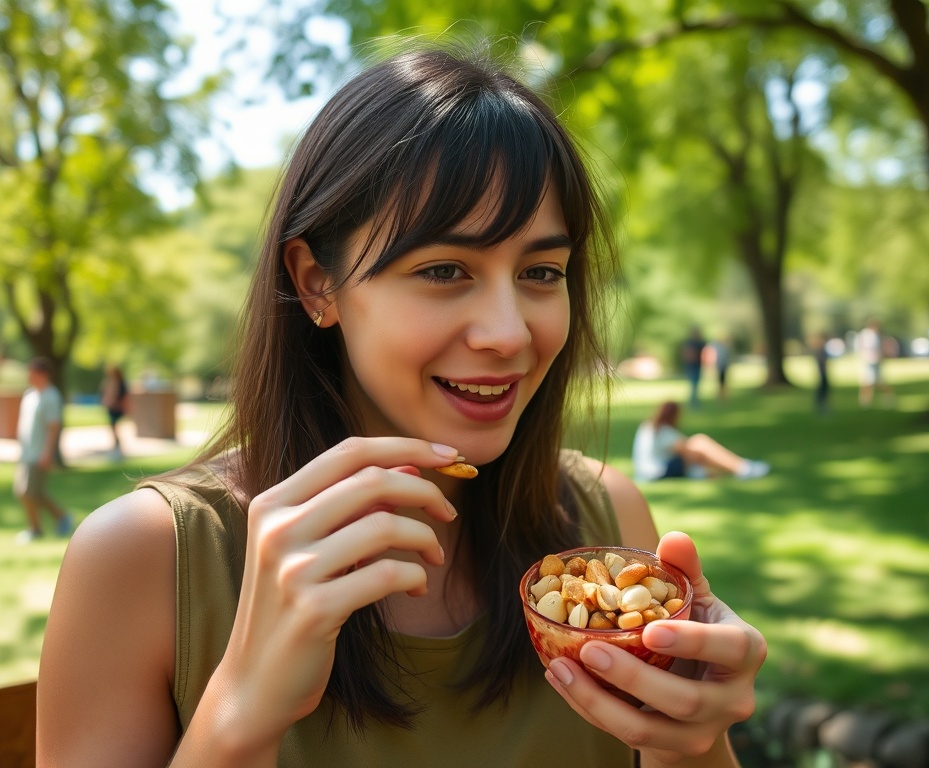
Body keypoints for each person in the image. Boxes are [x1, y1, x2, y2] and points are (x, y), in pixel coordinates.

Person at [37, 45, 766, 767]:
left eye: (542, 271)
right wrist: (241, 712)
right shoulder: (144, 559)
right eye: (445, 269)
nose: (510, 332)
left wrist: (690, 745)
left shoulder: (606, 520)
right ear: (319, 283)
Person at [632, 402, 770, 483]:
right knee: (700, 444)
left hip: (650, 471)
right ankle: (742, 468)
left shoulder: (649, 426)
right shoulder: (663, 431)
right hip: (656, 473)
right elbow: (687, 449)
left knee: (699, 445)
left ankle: (737, 468)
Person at [13, 357, 73, 544]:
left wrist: (48, 452)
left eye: (32, 372)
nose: (28, 376)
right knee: (31, 492)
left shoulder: (51, 396)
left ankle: (37, 528)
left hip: (39, 453)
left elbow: (53, 426)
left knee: (27, 492)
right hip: (26, 452)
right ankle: (60, 518)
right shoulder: (30, 395)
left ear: (43, 374)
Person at [854, 318, 894, 407]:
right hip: (868, 360)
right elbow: (860, 347)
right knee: (867, 381)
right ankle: (865, 401)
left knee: (880, 381)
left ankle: (888, 399)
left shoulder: (877, 335)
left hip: (877, 360)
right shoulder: (864, 335)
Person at [99, 365, 129, 458]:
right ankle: (116, 445)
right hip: (111, 407)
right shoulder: (109, 382)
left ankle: (117, 446)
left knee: (114, 426)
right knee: (113, 426)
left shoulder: (120, 383)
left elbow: (124, 396)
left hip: (116, 408)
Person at [679, 325, 706, 408]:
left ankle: (694, 401)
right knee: (693, 385)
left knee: (695, 385)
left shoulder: (699, 342)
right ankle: (693, 402)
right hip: (691, 366)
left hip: (697, 366)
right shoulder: (690, 343)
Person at [706, 334, 731, 401]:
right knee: (719, 382)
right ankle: (719, 396)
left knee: (723, 382)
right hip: (718, 366)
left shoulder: (723, 348)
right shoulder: (717, 348)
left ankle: (723, 396)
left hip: (723, 366)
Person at [810, 333, 831, 414]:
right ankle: (821, 405)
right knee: (822, 389)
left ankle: (822, 404)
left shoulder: (821, 350)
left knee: (823, 389)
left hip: (823, 372)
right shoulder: (820, 350)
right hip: (822, 372)